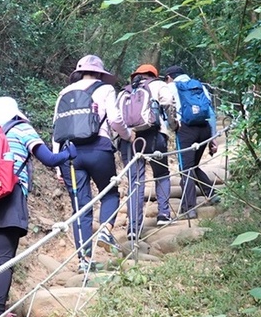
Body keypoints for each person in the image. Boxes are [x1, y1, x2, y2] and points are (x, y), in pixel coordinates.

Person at [0, 96, 76, 317]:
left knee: (0, 253)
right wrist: (68, 154)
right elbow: (48, 159)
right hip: (9, 195)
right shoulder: (22, 128)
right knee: (5, 255)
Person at [51, 55, 130, 270]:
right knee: (110, 192)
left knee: (80, 208)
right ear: (100, 73)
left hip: (70, 156)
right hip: (99, 149)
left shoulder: (63, 94)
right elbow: (114, 119)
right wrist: (127, 135)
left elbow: (57, 129)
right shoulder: (105, 90)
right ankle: (105, 230)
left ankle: (83, 261)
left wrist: (58, 163)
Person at [118, 64, 174, 239]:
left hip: (130, 139)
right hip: (154, 136)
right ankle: (163, 215)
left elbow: (116, 118)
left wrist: (124, 137)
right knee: (162, 174)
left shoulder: (124, 91)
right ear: (153, 74)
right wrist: (173, 125)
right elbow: (168, 103)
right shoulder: (158, 85)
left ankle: (133, 228)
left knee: (136, 181)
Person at [163, 65, 219, 216]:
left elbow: (168, 109)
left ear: (169, 77)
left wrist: (173, 127)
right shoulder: (199, 85)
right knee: (192, 165)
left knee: (185, 169)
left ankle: (189, 208)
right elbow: (211, 113)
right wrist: (213, 139)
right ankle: (211, 193)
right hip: (204, 128)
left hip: (186, 130)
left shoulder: (171, 87)